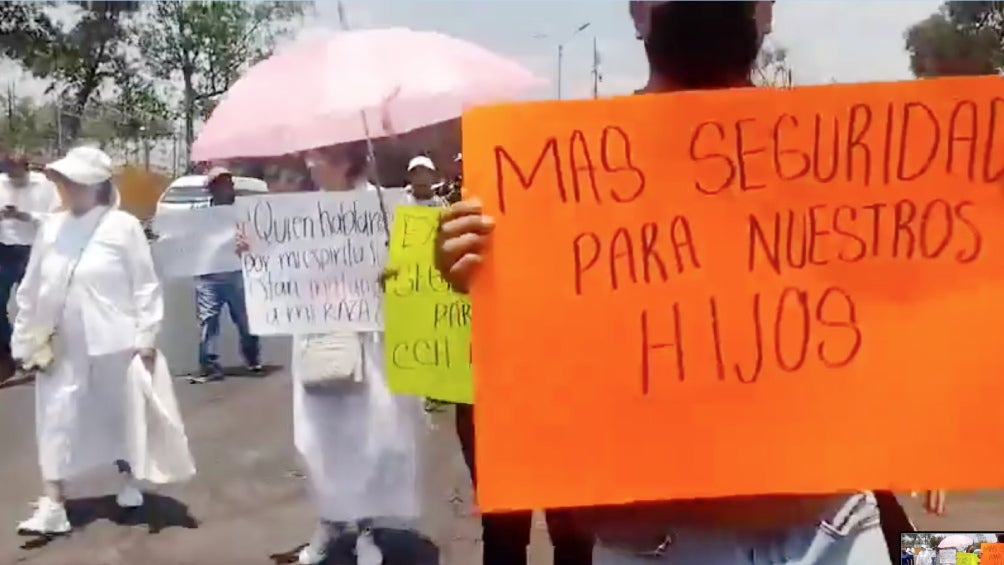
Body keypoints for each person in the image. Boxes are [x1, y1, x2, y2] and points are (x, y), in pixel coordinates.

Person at [434, 2, 895, 564]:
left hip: (842, 533)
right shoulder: (551, 181)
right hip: (650, 547)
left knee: (976, 555)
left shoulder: (850, 160)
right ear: (636, 10)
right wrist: (485, 282)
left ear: (767, 8)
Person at [243, 143, 426, 565]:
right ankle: (329, 522)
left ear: (346, 162)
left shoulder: (381, 208)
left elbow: (411, 270)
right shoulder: (304, 211)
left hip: (369, 345)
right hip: (317, 341)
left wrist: (392, 271)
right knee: (318, 440)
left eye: (320, 156)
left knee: (370, 439)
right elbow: (280, 267)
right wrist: (252, 250)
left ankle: (365, 531)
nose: (309, 164)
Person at [12, 146, 194, 535]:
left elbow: (145, 286)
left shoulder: (122, 227)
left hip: (115, 341)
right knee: (57, 416)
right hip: (59, 345)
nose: (65, 188)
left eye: (73, 182)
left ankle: (128, 477)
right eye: (63, 181)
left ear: (94, 185)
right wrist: (25, 337)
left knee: (119, 414)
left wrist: (146, 337)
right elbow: (31, 287)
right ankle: (53, 502)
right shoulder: (51, 227)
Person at [191, 166, 262, 383]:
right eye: (220, 184)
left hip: (237, 273)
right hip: (208, 275)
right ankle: (209, 365)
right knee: (208, 320)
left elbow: (258, 237)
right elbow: (186, 241)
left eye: (227, 183)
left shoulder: (244, 211)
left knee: (245, 321)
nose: (225, 187)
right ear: (211, 189)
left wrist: (248, 243)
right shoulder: (199, 212)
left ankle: (252, 357)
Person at [0, 152, 61, 381]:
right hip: (4, 248)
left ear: (26, 169)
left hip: (33, 250)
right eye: (9, 174)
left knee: (35, 305)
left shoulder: (45, 186)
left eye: (17, 174)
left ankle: (35, 355)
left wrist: (27, 216)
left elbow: (56, 217)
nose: (12, 180)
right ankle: (10, 352)